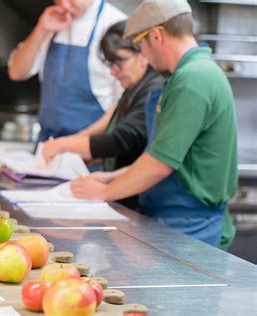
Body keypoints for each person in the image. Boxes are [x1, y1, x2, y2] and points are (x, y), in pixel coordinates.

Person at [70, 0, 238, 248]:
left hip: (187, 227)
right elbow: (161, 155)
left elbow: (160, 164)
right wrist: (109, 178)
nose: (144, 57)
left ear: (157, 36)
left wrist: (104, 193)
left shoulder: (193, 79)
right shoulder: (182, 76)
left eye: (140, 45)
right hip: (171, 220)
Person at [42, 20, 165, 210]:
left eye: (119, 63)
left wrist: (63, 144)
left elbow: (121, 140)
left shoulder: (154, 88)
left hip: (141, 202)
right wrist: (74, 142)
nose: (113, 72)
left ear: (143, 54)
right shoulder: (135, 86)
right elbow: (113, 117)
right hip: (122, 195)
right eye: (110, 64)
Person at [8, 0, 126, 142]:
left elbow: (123, 106)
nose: (64, 5)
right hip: (46, 144)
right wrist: (41, 29)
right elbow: (16, 72)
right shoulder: (55, 20)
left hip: (92, 149)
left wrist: (73, 143)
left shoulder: (116, 25)